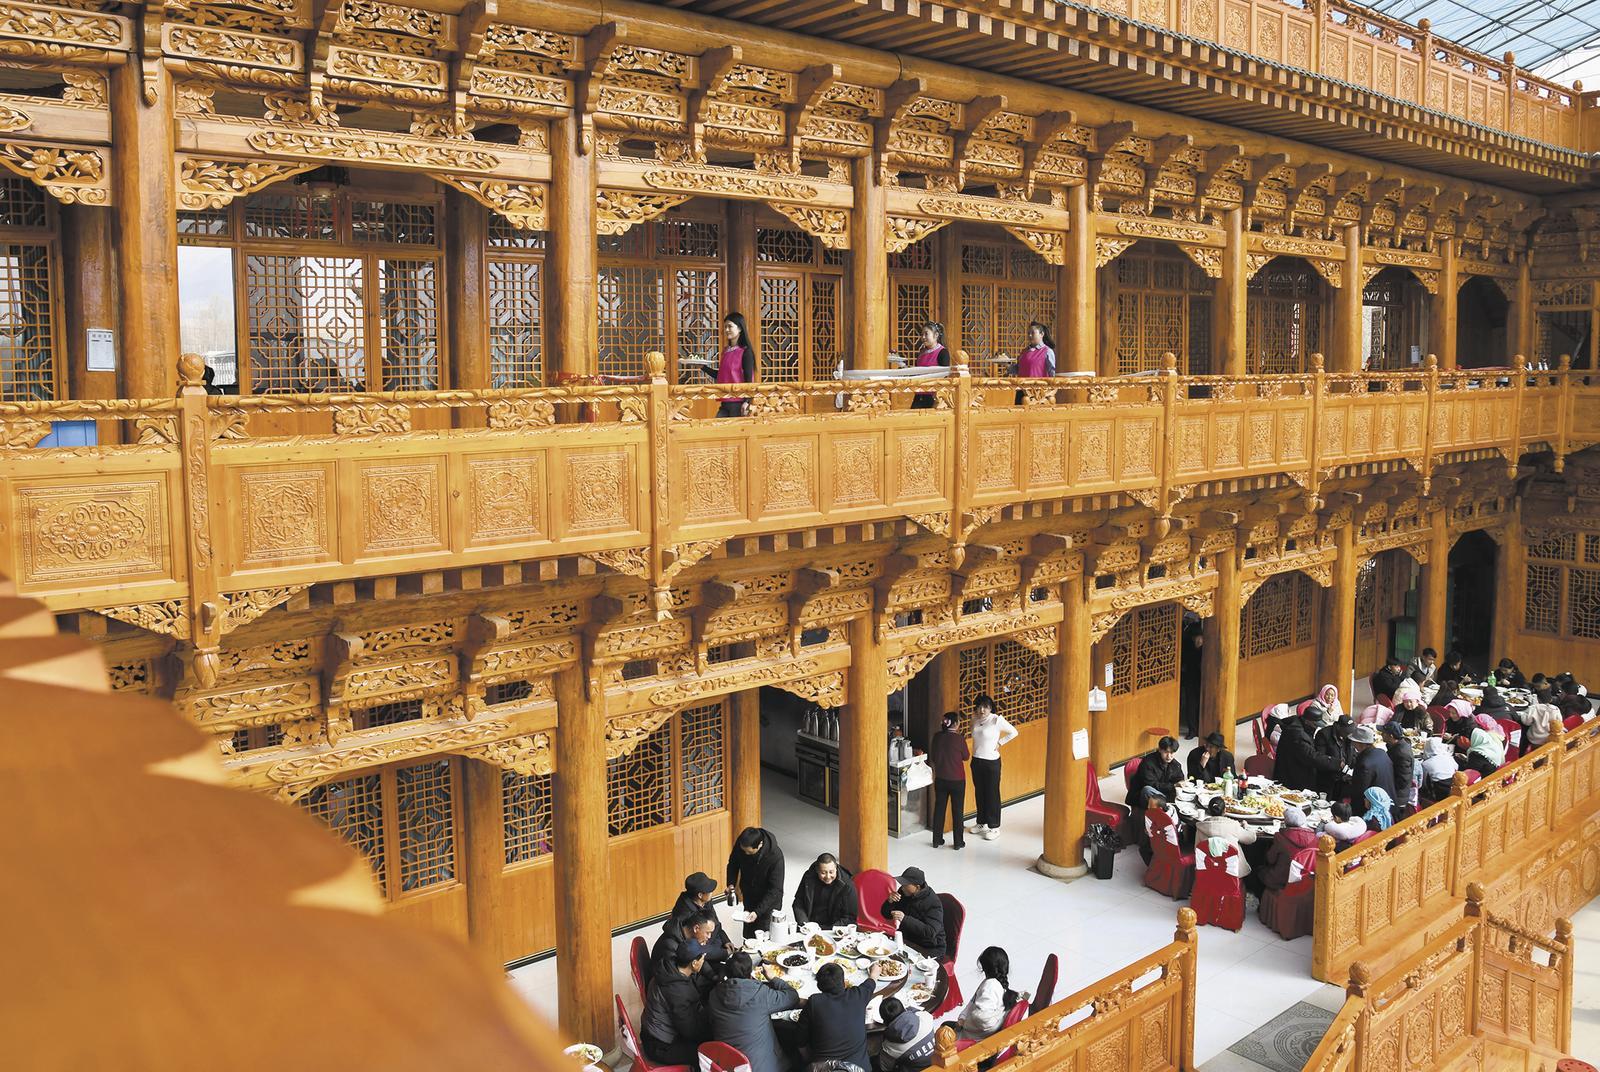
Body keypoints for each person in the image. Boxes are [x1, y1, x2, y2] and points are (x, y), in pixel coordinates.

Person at [707, 952, 801, 1072]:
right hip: (761, 1067)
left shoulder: (714, 995)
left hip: (729, 1066)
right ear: (751, 972)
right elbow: (792, 997)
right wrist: (773, 978)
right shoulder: (759, 993)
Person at [800, 960, 884, 1071]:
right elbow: (870, 984)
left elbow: (800, 1040)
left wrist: (809, 1061)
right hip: (859, 1068)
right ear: (844, 982)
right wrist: (874, 972)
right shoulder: (857, 995)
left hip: (824, 1068)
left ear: (819, 986)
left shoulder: (814, 1002)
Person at [642, 944, 714, 1065]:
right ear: (694, 963)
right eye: (702, 958)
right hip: (660, 1045)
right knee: (708, 1055)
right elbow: (689, 1031)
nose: (703, 961)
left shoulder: (667, 970)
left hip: (651, 1032)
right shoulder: (677, 992)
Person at [968, 694, 1018, 841]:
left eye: (986, 707)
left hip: (991, 762)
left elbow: (1014, 732)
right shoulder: (974, 719)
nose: (982, 710)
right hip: (977, 760)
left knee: (992, 793)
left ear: (991, 708)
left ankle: (994, 827)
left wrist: (1000, 743)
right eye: (979, 707)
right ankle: (981, 822)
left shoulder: (996, 720)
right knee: (980, 792)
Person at [726, 826, 785, 938]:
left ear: (760, 844)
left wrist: (757, 912)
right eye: (743, 851)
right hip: (749, 894)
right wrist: (731, 884)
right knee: (748, 933)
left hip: (769, 901)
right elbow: (733, 863)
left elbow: (775, 889)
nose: (745, 854)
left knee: (763, 935)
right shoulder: (742, 845)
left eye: (749, 852)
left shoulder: (775, 856)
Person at [957, 947, 1021, 1041]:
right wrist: (962, 1017)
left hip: (970, 1038)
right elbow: (973, 1003)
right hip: (973, 1032)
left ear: (984, 968)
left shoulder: (990, 986)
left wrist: (965, 1024)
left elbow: (983, 1019)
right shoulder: (998, 984)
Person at [1273, 707, 1343, 792]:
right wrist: (1335, 763)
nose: (1316, 727)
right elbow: (1310, 756)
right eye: (1315, 725)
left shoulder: (1299, 724)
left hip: (1292, 766)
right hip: (1291, 776)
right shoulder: (1297, 734)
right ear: (1307, 721)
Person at [882, 866, 946, 958]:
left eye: (905, 885)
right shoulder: (904, 892)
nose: (902, 888)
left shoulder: (933, 903)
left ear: (917, 887)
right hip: (909, 940)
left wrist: (905, 919)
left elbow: (930, 932)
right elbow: (886, 915)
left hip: (929, 947)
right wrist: (889, 902)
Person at [929, 711, 970, 849]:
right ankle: (958, 842)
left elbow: (933, 757)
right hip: (957, 780)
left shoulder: (937, 737)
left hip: (941, 778)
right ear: (956, 724)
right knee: (957, 811)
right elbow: (966, 757)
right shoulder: (959, 739)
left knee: (939, 809)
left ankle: (936, 840)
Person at [1196, 796, 1258, 886]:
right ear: (1225, 811)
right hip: (1231, 873)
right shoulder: (1233, 826)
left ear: (1208, 811)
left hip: (1208, 870)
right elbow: (1251, 838)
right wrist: (1247, 826)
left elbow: (1197, 848)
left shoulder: (1201, 826)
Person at [652, 909, 728, 983]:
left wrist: (712, 975)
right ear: (696, 928)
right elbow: (678, 977)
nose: (709, 937)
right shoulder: (670, 945)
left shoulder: (688, 935)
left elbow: (697, 957)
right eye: (707, 933)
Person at [672, 872, 737, 951]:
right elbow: (691, 946)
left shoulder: (705, 901)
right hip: (699, 948)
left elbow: (716, 923)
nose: (711, 893)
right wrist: (724, 953)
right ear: (700, 895)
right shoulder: (684, 912)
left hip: (712, 940)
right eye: (709, 891)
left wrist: (725, 940)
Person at [792, 853, 857, 929]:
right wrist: (805, 924)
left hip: (834, 929)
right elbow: (798, 902)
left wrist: (829, 930)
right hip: (810, 926)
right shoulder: (808, 877)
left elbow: (849, 917)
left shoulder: (847, 884)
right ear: (817, 870)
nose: (828, 876)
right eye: (823, 873)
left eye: (831, 872)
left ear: (836, 868)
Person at [1261, 807, 1319, 891]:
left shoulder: (1280, 838)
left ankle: (1261, 898)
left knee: (1258, 869)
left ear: (1285, 822)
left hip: (1282, 880)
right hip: (1306, 878)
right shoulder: (1314, 838)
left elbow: (1270, 859)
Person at [875, 997, 937, 1072]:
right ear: (904, 1010)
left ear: (884, 1022)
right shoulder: (925, 1018)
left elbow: (884, 1068)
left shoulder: (889, 1047)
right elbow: (915, 1011)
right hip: (939, 1064)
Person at [716, 313, 757, 418]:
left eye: (730, 326)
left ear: (739, 328)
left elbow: (749, 380)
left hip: (738, 403)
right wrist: (702, 367)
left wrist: (747, 401)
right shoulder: (726, 351)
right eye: (725, 326)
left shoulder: (745, 352)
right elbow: (721, 375)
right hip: (725, 401)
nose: (726, 330)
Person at [1348, 724, 1395, 806]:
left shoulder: (1365, 764)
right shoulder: (1382, 753)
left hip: (1375, 805)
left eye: (1354, 742)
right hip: (1388, 799)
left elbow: (1360, 791)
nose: (1353, 744)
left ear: (1361, 744)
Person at [909, 322, 951, 410]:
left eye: (926, 334)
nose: (923, 337)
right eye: (922, 334)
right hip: (919, 394)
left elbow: (945, 376)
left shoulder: (942, 352)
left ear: (936, 335)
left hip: (935, 396)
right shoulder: (921, 353)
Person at [1013, 321, 1057, 404]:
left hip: (1039, 393)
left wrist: (1051, 391)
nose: (1030, 335)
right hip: (1022, 390)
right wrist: (1007, 366)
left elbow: (1052, 373)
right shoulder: (1024, 351)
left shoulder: (1047, 351)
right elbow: (1018, 369)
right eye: (1028, 333)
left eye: (1032, 333)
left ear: (1042, 334)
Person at [1314, 711, 1355, 799]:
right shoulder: (1323, 735)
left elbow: (1353, 754)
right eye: (1346, 731)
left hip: (1344, 777)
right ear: (1338, 726)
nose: (1349, 734)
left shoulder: (1349, 737)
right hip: (1328, 779)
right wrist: (1337, 765)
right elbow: (1320, 758)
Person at [1381, 722, 1416, 819]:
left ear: (1391, 736)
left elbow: (1403, 780)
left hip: (1397, 798)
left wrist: (1387, 787)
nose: (1381, 734)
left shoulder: (1401, 753)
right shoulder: (1396, 747)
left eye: (1383, 733)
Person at [1520, 685, 1564, 749]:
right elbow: (1560, 722)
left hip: (1534, 739)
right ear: (1551, 699)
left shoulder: (1534, 708)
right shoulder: (1556, 709)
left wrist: (1523, 714)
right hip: (1549, 738)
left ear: (1538, 699)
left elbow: (1526, 722)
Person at [1419, 737, 1459, 803]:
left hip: (1437, 793)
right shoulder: (1449, 757)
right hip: (1452, 787)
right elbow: (1456, 768)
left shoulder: (1426, 764)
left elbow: (1424, 783)